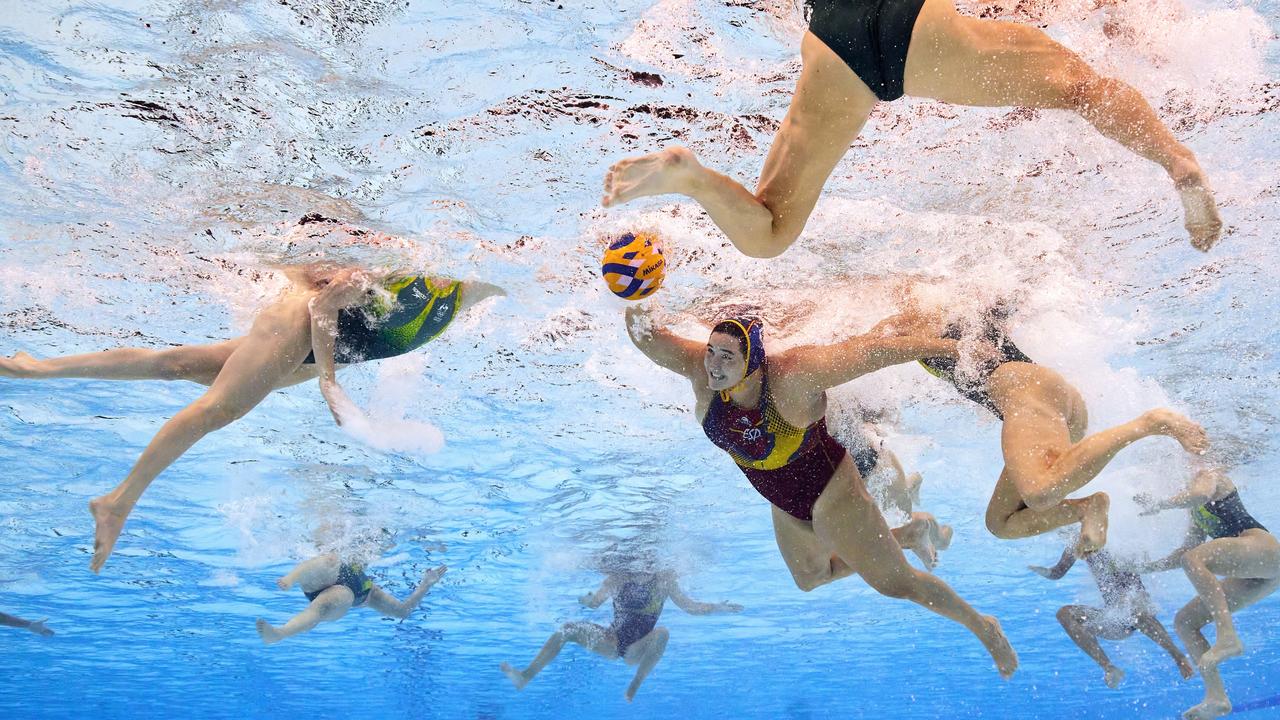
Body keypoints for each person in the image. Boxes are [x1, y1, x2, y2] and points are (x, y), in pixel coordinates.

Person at [0, 215, 504, 573]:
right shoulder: (396, 269)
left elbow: (551, 284)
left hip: (316, 354)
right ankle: (116, 501)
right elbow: (324, 304)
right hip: (301, 328)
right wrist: (329, 380)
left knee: (177, 366)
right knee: (218, 409)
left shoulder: (473, 289)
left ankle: (34, 369)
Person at [602, 0, 1221, 254]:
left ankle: (693, 180)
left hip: (836, 46)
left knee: (771, 232)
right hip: (919, 26)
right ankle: (1175, 161)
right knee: (1082, 89)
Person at [623, 305, 1017, 677]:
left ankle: (984, 627)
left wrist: (956, 347)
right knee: (810, 577)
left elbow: (876, 351)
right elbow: (648, 338)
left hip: (830, 490)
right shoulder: (704, 376)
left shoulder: (792, 379)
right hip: (782, 500)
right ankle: (909, 533)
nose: (713, 363)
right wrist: (634, 295)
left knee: (896, 584)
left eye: (727, 356)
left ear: (755, 362)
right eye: (711, 351)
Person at [917, 306, 1207, 554]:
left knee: (1040, 493)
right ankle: (1084, 508)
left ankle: (1149, 423)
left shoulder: (932, 312)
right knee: (1001, 523)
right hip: (1045, 401)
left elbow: (882, 348)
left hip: (1028, 391)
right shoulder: (953, 312)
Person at [1136, 469, 1279, 720]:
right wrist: (1147, 567)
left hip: (1264, 550)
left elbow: (1199, 493)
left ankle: (1227, 637)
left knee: (1192, 559)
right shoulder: (1195, 512)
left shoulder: (1211, 474)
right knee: (1185, 622)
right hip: (1256, 574)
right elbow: (1186, 550)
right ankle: (1216, 697)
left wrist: (1160, 504)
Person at [500, 571, 742, 702]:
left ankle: (635, 683)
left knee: (663, 633)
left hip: (638, 648)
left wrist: (718, 607)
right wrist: (585, 599)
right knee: (567, 630)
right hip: (612, 641)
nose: (643, 564)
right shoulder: (618, 576)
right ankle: (525, 676)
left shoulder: (665, 579)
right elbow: (595, 603)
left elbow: (690, 606)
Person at [1029, 542, 1193, 688]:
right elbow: (1057, 573)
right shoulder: (1077, 539)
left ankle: (1178, 657)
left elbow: (1145, 555)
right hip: (1114, 619)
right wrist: (1043, 571)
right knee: (1064, 614)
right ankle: (1108, 667)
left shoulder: (1119, 534)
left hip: (1138, 607)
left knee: (1135, 611)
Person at [255, 554, 447, 644]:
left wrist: (426, 585)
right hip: (324, 577)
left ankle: (281, 633)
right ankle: (282, 628)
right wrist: (290, 579)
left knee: (325, 605)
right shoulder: (337, 556)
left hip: (349, 594)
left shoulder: (372, 592)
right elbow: (319, 562)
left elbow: (403, 611)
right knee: (328, 562)